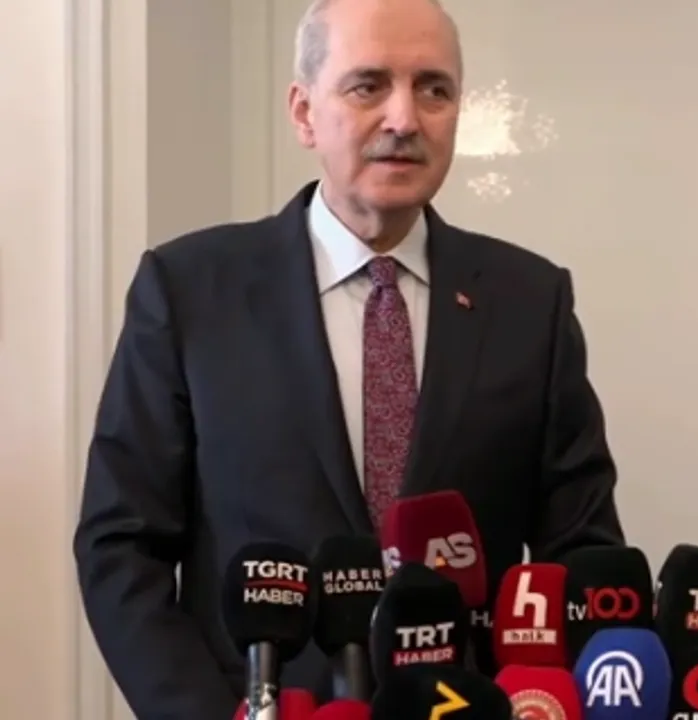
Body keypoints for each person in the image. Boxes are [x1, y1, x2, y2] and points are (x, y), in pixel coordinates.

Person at [73, 0, 624, 716]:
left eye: (434, 88)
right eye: (369, 85)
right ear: (304, 112)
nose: (404, 118)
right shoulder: (188, 291)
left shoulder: (530, 302)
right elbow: (122, 546)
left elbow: (581, 552)